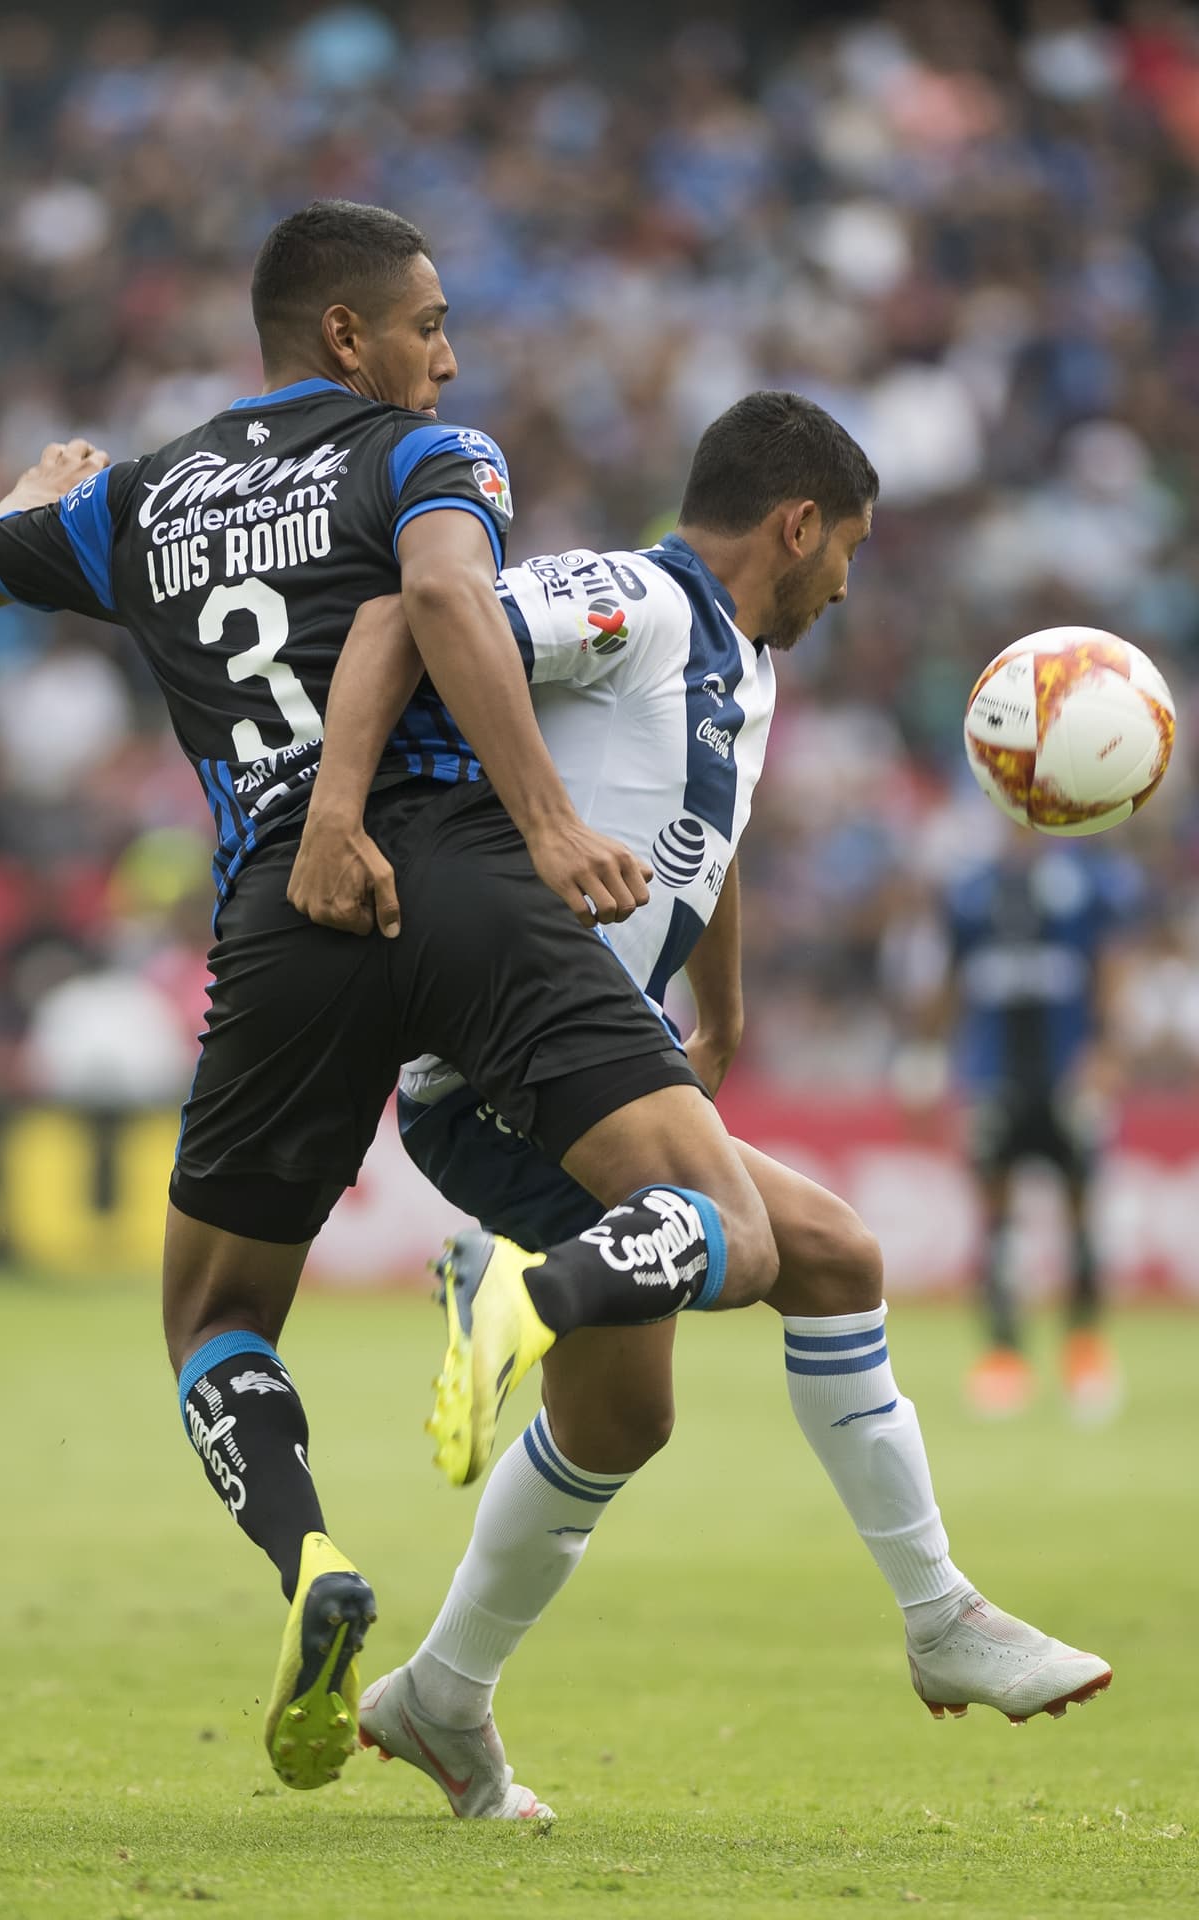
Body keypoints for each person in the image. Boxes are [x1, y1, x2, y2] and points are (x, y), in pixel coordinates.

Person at [0, 201, 856, 1800]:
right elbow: (434, 601)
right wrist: (551, 823)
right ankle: (539, 1284)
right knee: (729, 1225)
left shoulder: (139, 500)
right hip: (469, 889)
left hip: (282, 919)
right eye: (427, 321)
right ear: (347, 337)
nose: (451, 350)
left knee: (214, 1316)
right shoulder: (434, 458)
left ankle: (307, 1569)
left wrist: (25, 495)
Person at [289, 403, 1114, 1820]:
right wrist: (339, 812)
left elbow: (703, 837)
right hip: (506, 1052)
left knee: (626, 1418)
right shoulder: (641, 599)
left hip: (598, 1053)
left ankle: (439, 1696)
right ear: (796, 524)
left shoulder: (749, 665)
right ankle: (936, 1611)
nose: (848, 584)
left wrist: (720, 1002)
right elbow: (408, 615)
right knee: (828, 1257)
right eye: (844, 549)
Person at [923, 828, 1142, 1420]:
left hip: (1067, 1077)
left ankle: (1084, 1353)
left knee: (1080, 1215)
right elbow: (950, 980)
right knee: (996, 1222)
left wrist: (1106, 1055)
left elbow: (1111, 965)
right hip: (993, 1080)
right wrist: (932, 1060)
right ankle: (1004, 1359)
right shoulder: (970, 890)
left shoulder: (1087, 884)